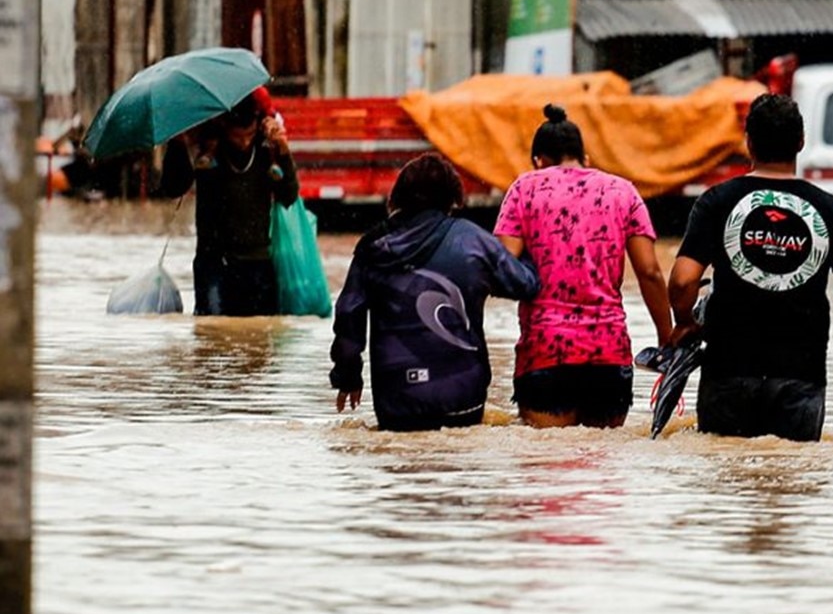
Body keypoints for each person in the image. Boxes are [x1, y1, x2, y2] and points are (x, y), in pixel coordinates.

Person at [667, 93, 833, 441]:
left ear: (748, 142)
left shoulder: (716, 201)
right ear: (801, 142)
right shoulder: (832, 211)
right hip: (801, 375)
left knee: (727, 482)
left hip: (728, 370)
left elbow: (682, 281)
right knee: (792, 479)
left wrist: (685, 323)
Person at [330, 153, 540, 431]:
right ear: (453, 196)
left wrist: (347, 377)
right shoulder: (473, 241)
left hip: (396, 404)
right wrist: (531, 241)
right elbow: (526, 285)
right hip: (463, 399)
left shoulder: (372, 247)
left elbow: (348, 315)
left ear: (399, 195)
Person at [494, 104, 673, 428]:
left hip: (545, 352)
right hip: (609, 353)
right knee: (602, 469)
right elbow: (649, 271)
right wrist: (666, 337)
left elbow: (503, 267)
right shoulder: (623, 191)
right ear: (585, 158)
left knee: (547, 465)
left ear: (538, 161)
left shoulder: (525, 188)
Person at [161, 92, 298, 316]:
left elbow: (289, 195)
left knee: (259, 340)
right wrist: (178, 144)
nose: (244, 143)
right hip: (213, 264)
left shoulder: (267, 151)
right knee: (211, 333)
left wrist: (283, 151)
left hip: (258, 265)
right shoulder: (207, 152)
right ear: (224, 127)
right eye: (237, 137)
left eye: (249, 135)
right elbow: (173, 187)